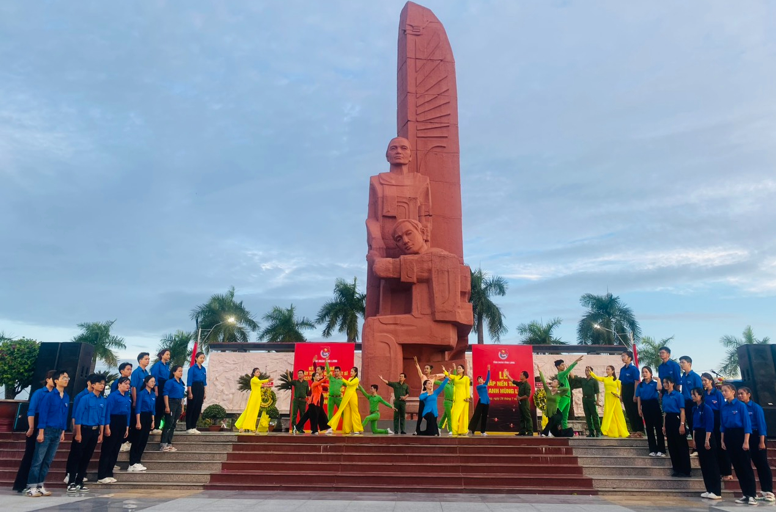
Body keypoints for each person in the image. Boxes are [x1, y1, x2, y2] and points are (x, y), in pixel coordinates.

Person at [25, 370, 69, 498]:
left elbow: (64, 415)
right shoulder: (48, 396)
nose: (66, 380)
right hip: (47, 430)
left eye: (67, 378)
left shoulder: (66, 397)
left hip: (57, 431)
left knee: (47, 460)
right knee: (38, 460)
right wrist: (41, 432)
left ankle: (40, 485)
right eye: (63, 377)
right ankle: (31, 487)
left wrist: (63, 431)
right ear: (56, 380)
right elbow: (43, 414)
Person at [13, 370, 54, 493]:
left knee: (42, 457)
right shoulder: (39, 393)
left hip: (49, 424)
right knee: (30, 453)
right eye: (53, 378)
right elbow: (31, 411)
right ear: (47, 379)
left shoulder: (57, 395)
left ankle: (37, 484)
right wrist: (31, 427)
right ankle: (21, 484)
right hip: (36, 422)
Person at [66, 374, 107, 493]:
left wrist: (101, 433)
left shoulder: (102, 400)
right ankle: (71, 481)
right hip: (84, 429)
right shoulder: (85, 398)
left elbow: (102, 418)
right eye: (99, 384)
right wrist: (78, 433)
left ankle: (80, 481)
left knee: (87, 456)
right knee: (77, 455)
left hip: (95, 431)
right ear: (93, 385)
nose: (102, 386)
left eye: (103, 384)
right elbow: (78, 416)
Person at [720, 382, 757, 505]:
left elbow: (747, 424)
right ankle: (745, 494)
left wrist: (746, 441)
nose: (724, 393)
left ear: (733, 392)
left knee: (745, 465)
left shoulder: (741, 406)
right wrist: (722, 440)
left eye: (726, 390)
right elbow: (722, 425)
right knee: (737, 466)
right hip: (729, 435)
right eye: (722, 391)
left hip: (739, 435)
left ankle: (752, 494)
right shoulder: (724, 406)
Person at [738, 387, 775, 502]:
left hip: (756, 436)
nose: (740, 396)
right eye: (738, 394)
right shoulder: (740, 407)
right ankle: (749, 493)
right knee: (746, 464)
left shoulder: (755, 407)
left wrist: (762, 441)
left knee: (761, 463)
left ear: (749, 394)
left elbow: (761, 425)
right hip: (745, 436)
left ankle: (767, 490)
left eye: (742, 394)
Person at [97, 376, 131, 484]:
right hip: (113, 421)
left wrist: (127, 427)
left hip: (122, 422)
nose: (127, 386)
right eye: (125, 383)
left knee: (116, 449)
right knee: (108, 449)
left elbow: (128, 413)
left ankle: (109, 472)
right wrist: (107, 427)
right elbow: (107, 412)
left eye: (128, 384)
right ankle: (101, 475)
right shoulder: (113, 396)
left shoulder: (127, 397)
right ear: (119, 384)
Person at [691, 387, 721, 500]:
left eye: (694, 394)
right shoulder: (695, 408)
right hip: (698, 434)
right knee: (703, 463)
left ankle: (716, 491)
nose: (692, 397)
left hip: (706, 435)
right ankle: (709, 489)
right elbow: (694, 426)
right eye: (692, 394)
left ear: (700, 395)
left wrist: (707, 439)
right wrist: (694, 440)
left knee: (711, 463)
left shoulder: (707, 408)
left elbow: (709, 425)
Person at [64, 375, 95, 485]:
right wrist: (76, 430)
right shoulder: (81, 396)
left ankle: (80, 475)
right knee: (76, 452)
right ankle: (69, 474)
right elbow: (75, 415)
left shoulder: (97, 397)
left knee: (85, 454)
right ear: (89, 383)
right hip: (80, 427)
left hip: (92, 428)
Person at [701, 372, 732, 481]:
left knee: (721, 445)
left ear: (710, 381)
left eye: (705, 380)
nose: (703, 382)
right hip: (707, 421)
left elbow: (722, 408)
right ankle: (717, 471)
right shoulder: (704, 394)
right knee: (713, 447)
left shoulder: (718, 393)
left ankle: (727, 471)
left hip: (717, 419)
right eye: (702, 380)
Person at [661, 376, 691, 477]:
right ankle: (676, 469)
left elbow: (682, 411)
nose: (665, 384)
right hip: (668, 419)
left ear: (672, 383)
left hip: (677, 418)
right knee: (671, 445)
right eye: (664, 382)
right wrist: (664, 426)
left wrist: (682, 424)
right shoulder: (665, 396)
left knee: (681, 445)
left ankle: (685, 470)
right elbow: (665, 412)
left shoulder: (678, 395)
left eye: (667, 382)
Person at [589, 366, 629, 438]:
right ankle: (610, 431)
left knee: (617, 414)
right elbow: (597, 377)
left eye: (608, 369)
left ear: (612, 371)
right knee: (608, 413)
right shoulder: (605, 378)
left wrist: (617, 394)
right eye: (606, 369)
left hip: (614, 398)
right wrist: (591, 372)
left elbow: (620, 389)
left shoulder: (617, 380)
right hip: (608, 397)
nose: (607, 370)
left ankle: (621, 430)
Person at [636, 366, 665, 457]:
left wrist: (658, 380)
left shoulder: (654, 383)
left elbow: (659, 388)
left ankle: (661, 449)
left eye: (646, 372)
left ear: (650, 373)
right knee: (649, 428)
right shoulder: (640, 385)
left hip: (654, 405)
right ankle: (652, 449)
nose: (644, 374)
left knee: (658, 427)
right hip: (645, 405)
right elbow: (639, 397)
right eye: (643, 372)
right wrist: (639, 408)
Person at [129, 375, 156, 472]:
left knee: (144, 440)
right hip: (141, 416)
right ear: (146, 382)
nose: (153, 383)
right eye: (151, 381)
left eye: (154, 381)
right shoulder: (141, 393)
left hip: (149, 417)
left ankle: (138, 460)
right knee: (138, 439)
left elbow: (153, 409)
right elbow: (138, 408)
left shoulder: (153, 394)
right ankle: (132, 462)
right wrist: (138, 421)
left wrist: (153, 421)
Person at [326, 367, 364, 435]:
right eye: (351, 371)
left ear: (355, 373)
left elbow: (349, 384)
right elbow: (348, 385)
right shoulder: (349, 379)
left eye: (352, 371)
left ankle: (357, 429)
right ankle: (343, 429)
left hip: (352, 397)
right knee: (344, 412)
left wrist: (342, 378)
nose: (351, 372)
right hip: (346, 397)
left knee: (355, 412)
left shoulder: (356, 379)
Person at [535, 363, 569, 438]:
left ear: (557, 385)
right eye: (552, 381)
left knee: (553, 419)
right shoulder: (548, 391)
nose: (552, 382)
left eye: (554, 382)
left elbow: (567, 389)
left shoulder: (559, 394)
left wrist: (558, 389)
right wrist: (540, 371)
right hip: (549, 413)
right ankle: (569, 432)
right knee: (556, 432)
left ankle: (544, 433)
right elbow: (543, 382)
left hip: (557, 413)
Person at [234, 368, 273, 433]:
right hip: (253, 398)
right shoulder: (253, 379)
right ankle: (243, 427)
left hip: (257, 398)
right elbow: (260, 382)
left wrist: (269, 384)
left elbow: (261, 384)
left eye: (259, 372)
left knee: (254, 413)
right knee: (250, 412)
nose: (258, 373)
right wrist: (268, 380)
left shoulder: (257, 380)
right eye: (257, 372)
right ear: (254, 373)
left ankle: (252, 428)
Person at [413, 357, 445, 434]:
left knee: (431, 414)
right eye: (425, 368)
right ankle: (417, 430)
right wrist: (416, 364)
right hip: (423, 397)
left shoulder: (433, 377)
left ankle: (431, 430)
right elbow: (419, 370)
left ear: (430, 370)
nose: (425, 369)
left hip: (430, 398)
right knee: (420, 414)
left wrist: (437, 374)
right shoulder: (423, 377)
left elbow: (443, 375)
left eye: (427, 368)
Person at [127, 352, 151, 450]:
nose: (148, 361)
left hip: (145, 401)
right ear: (140, 360)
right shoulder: (136, 372)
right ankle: (129, 441)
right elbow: (133, 387)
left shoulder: (146, 373)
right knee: (134, 421)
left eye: (148, 359)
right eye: (146, 359)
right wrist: (135, 400)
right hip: (137, 398)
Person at [160, 365, 185, 452]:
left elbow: (182, 396)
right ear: (174, 372)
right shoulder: (170, 382)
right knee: (169, 423)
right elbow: (165, 394)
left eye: (182, 371)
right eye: (179, 371)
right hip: (172, 402)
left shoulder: (181, 383)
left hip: (178, 403)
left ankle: (169, 442)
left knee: (174, 424)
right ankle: (163, 443)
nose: (181, 373)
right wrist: (167, 406)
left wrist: (182, 407)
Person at [443, 361, 472, 436]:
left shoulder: (466, 378)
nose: (458, 369)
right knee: (454, 415)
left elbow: (467, 388)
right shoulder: (456, 377)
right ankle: (455, 431)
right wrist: (444, 370)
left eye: (460, 368)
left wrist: (467, 397)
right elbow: (449, 375)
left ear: (463, 370)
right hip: (456, 399)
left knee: (463, 415)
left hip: (463, 398)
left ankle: (463, 430)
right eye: (458, 368)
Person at [555, 356, 583, 429]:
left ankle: (564, 430)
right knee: (558, 413)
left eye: (564, 364)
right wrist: (576, 361)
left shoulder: (564, 375)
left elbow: (571, 375)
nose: (564, 366)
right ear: (558, 367)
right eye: (562, 365)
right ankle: (553, 428)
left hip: (568, 397)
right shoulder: (560, 374)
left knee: (565, 416)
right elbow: (568, 370)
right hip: (563, 397)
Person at [619, 350, 642, 437]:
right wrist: (621, 394)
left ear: (629, 358)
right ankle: (634, 430)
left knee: (634, 410)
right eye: (622, 356)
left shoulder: (634, 369)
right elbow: (621, 383)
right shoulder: (622, 369)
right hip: (625, 389)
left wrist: (635, 394)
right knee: (628, 411)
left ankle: (639, 430)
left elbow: (636, 382)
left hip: (632, 388)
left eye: (624, 356)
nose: (622, 358)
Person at [504, 369, 533, 436]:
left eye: (521, 375)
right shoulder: (521, 383)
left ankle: (530, 432)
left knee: (527, 417)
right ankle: (522, 431)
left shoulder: (527, 385)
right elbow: (513, 381)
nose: (520, 376)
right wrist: (507, 375)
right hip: (520, 403)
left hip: (525, 404)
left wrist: (520, 398)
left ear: (524, 376)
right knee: (522, 417)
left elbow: (527, 395)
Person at [679, 356, 702, 434]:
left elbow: (699, 391)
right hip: (685, 403)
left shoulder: (695, 376)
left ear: (689, 364)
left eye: (683, 362)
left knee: (695, 424)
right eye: (680, 362)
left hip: (694, 403)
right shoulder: (683, 376)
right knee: (689, 423)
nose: (681, 364)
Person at [151, 349, 171, 434]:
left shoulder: (167, 366)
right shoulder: (157, 365)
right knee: (157, 406)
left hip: (166, 385)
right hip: (159, 385)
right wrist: (156, 389)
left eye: (169, 354)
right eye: (167, 354)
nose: (168, 356)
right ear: (162, 355)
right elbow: (155, 378)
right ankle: (154, 426)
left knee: (163, 406)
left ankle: (158, 426)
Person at [186, 352, 207, 433]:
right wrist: (190, 392)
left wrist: (205, 392)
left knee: (198, 407)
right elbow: (189, 381)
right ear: (196, 358)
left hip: (201, 387)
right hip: (194, 387)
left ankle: (194, 426)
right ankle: (189, 427)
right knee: (191, 407)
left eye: (203, 358)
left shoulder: (203, 369)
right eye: (201, 358)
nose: (202, 359)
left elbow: (204, 382)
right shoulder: (192, 369)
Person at [469, 365, 491, 436]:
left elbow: (488, 379)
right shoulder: (478, 386)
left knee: (484, 416)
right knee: (477, 415)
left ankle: (483, 431)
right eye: (479, 379)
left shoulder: (484, 384)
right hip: (481, 402)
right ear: (478, 381)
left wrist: (488, 370)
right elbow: (484, 385)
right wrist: (485, 383)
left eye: (481, 379)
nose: (480, 380)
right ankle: (471, 429)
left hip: (486, 402)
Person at [581, 366, 602, 438]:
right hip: (585, 399)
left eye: (588, 371)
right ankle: (591, 431)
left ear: (591, 372)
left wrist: (597, 400)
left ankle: (598, 431)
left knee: (594, 416)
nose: (586, 372)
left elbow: (597, 391)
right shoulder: (583, 380)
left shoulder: (594, 380)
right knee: (587, 416)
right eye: (586, 371)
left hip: (591, 399)